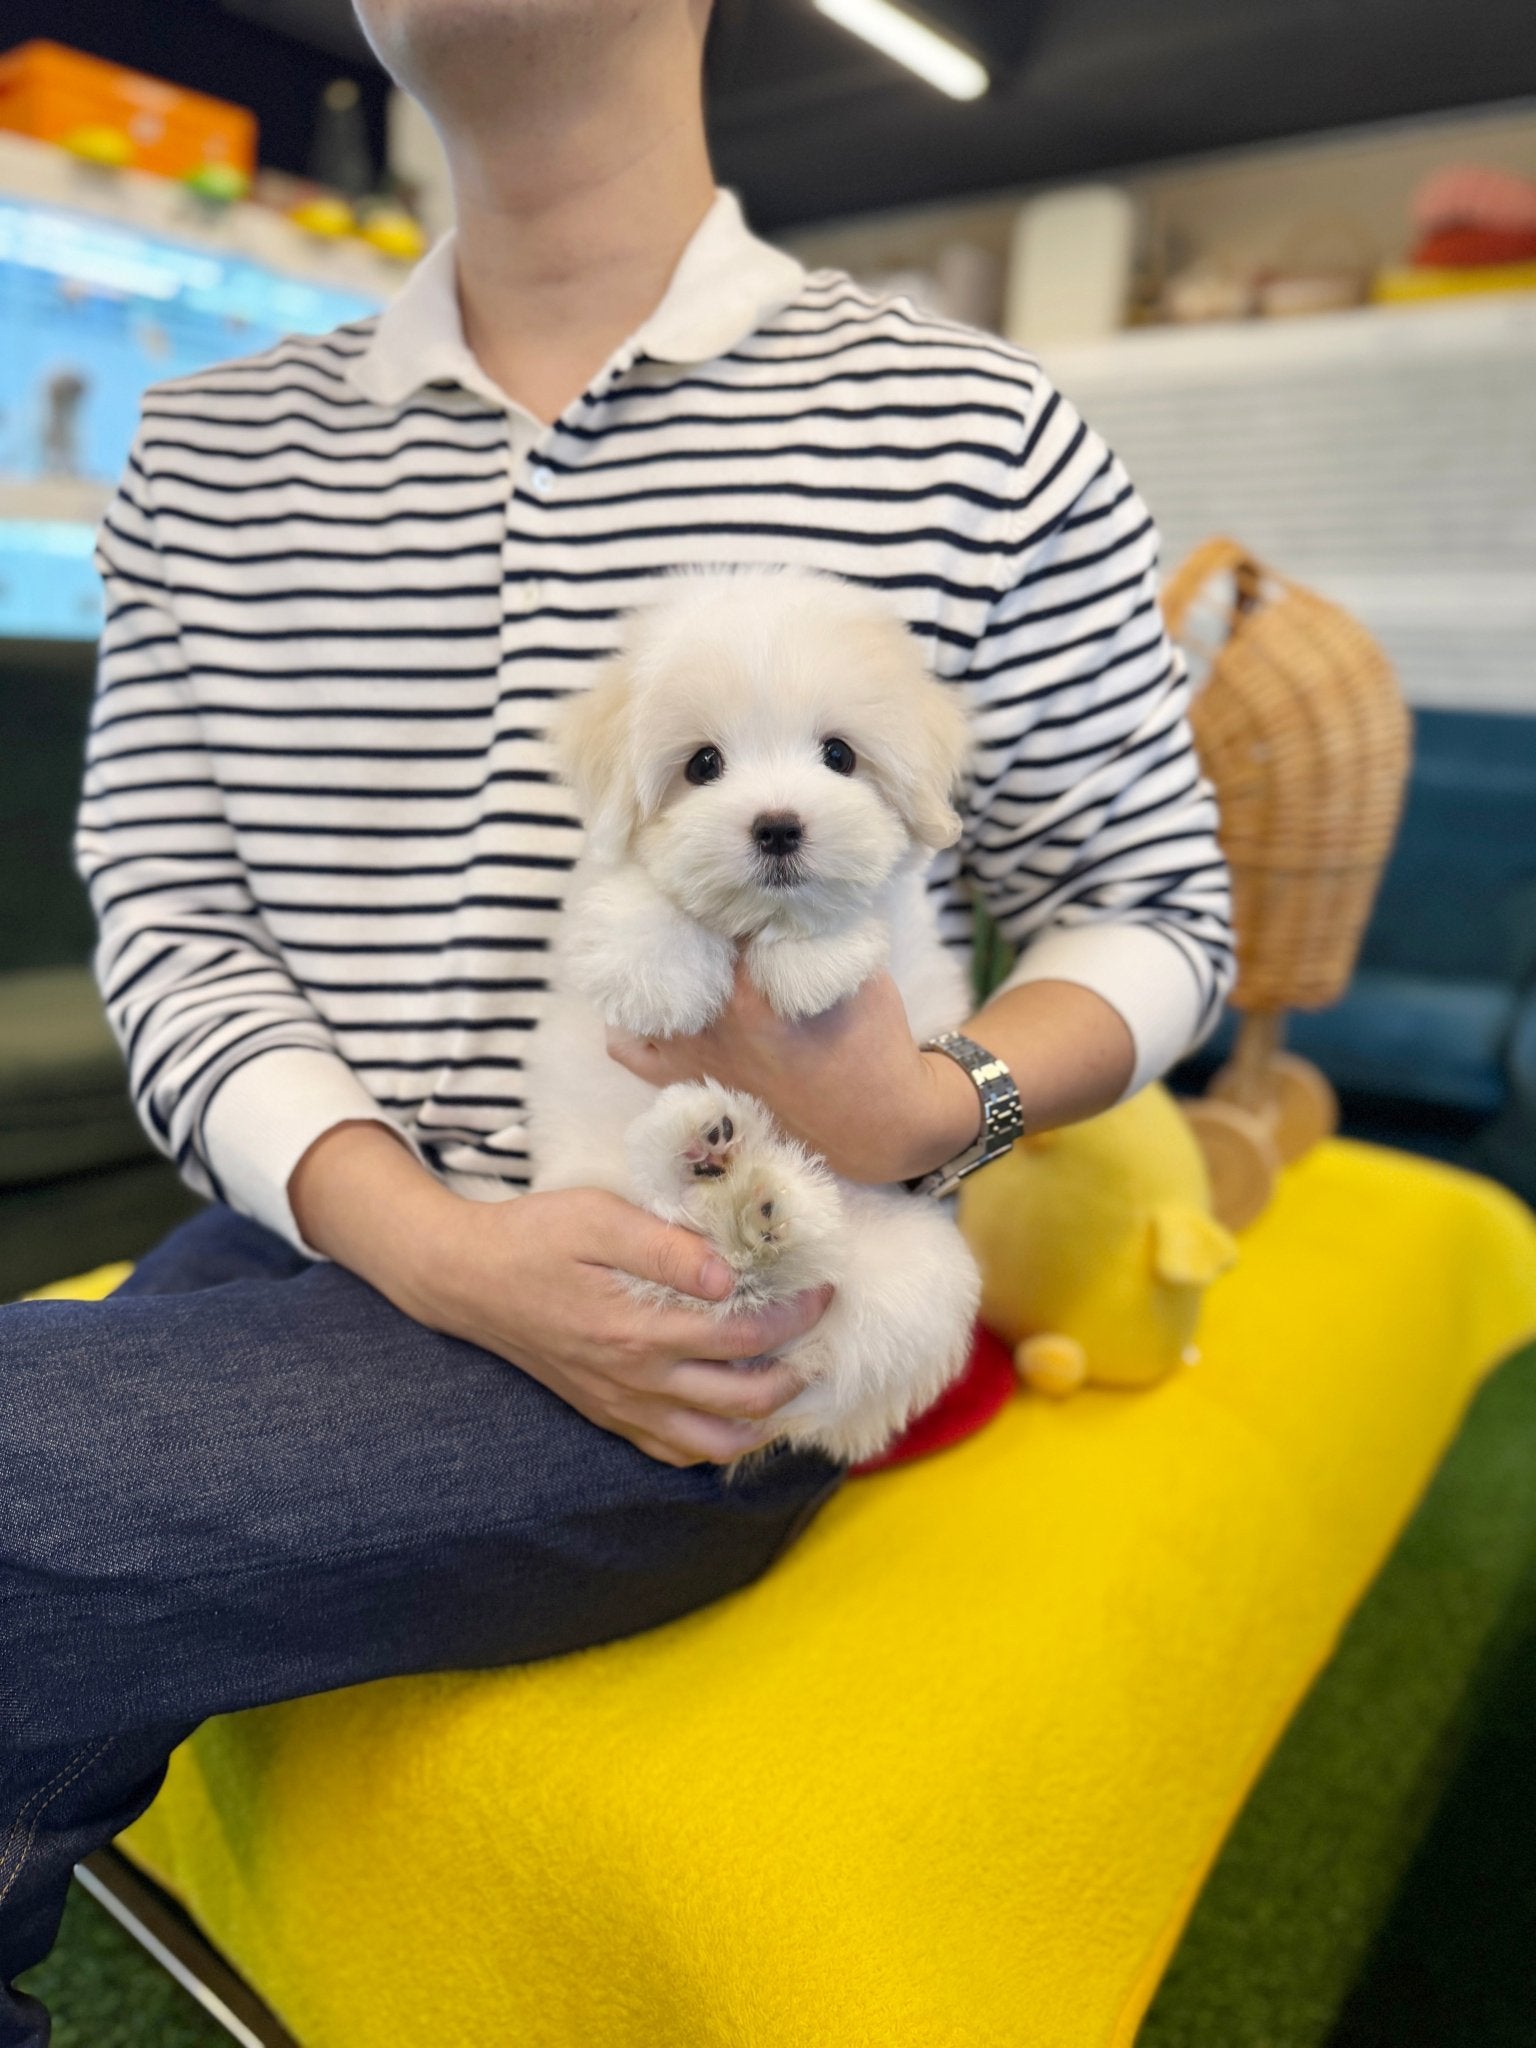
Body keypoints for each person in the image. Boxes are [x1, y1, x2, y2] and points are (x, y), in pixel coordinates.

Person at [0, 0, 1234, 2035]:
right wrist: (423, 1236)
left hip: (718, 1324)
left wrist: (943, 1101)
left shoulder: (976, 423)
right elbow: (173, 916)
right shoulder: (205, 453)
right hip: (313, 1234)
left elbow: (1155, 901)